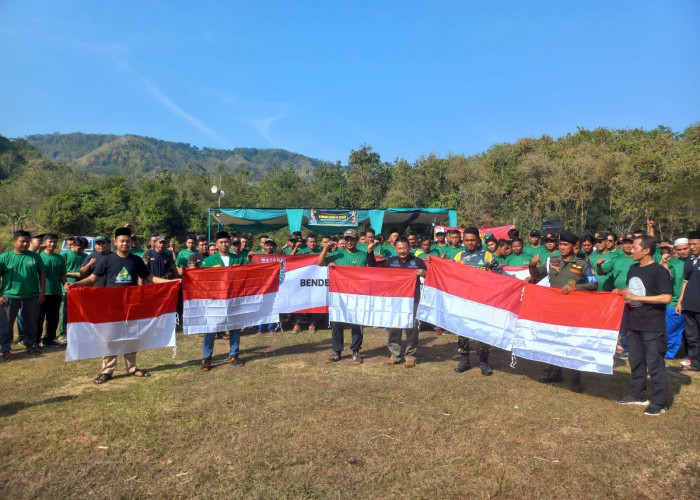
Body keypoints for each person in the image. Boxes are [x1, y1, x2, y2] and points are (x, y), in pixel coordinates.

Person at [67, 227, 176, 383]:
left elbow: (150, 278)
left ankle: (132, 368)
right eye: (122, 241)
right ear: (115, 242)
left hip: (131, 305)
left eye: (128, 241)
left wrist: (171, 283)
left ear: (132, 242)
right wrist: (75, 285)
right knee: (109, 338)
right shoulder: (106, 260)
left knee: (132, 337)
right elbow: (92, 279)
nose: (125, 243)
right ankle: (107, 371)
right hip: (111, 306)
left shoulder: (136, 260)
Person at [529, 230, 597, 392]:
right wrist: (532, 266)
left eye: (565, 244)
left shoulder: (583, 264)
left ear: (574, 246)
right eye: (560, 244)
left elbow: (594, 285)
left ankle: (576, 378)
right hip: (554, 309)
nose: (562, 247)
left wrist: (576, 287)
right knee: (554, 340)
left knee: (573, 342)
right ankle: (555, 373)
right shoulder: (552, 260)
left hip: (574, 311)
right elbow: (536, 277)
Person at [616, 235, 672, 415]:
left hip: (652, 326)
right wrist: (622, 293)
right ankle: (637, 394)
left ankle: (659, 402)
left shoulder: (659, 271)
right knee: (636, 362)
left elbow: (666, 297)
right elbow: (633, 290)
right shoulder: (633, 268)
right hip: (634, 324)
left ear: (646, 250)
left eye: (635, 247)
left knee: (655, 364)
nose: (631, 250)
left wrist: (636, 297)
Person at [452, 227, 510, 376]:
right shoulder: (458, 256)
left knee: (483, 331)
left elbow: (500, 273)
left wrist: (516, 281)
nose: (470, 243)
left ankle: (484, 362)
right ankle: (464, 360)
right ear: (463, 241)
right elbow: (449, 272)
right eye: (467, 240)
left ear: (478, 240)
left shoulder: (487, 256)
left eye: (473, 240)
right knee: (463, 330)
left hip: (482, 301)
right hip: (464, 300)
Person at [367, 236, 426, 367]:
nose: (402, 251)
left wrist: (424, 272)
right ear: (395, 249)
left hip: (413, 299)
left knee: (412, 327)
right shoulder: (390, 261)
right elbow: (373, 266)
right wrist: (370, 252)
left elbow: (431, 274)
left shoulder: (417, 262)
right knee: (394, 326)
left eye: (404, 248)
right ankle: (395, 354)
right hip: (395, 300)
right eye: (399, 248)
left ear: (409, 248)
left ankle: (411, 355)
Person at [317, 228, 368, 364]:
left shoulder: (362, 255)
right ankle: (337, 352)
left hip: (356, 294)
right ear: (344, 240)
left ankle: (356, 351)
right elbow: (320, 263)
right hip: (338, 294)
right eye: (347, 239)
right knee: (336, 322)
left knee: (356, 323)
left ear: (356, 240)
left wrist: (337, 268)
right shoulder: (337, 254)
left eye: (352, 239)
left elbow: (356, 272)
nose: (349, 242)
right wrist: (325, 249)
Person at [199, 231, 247, 371]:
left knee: (234, 328)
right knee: (211, 329)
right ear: (216, 244)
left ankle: (234, 355)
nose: (224, 244)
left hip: (234, 299)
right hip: (215, 300)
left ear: (230, 243)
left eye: (226, 242)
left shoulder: (239, 259)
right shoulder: (209, 261)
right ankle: (207, 358)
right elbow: (201, 279)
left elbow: (254, 270)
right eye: (221, 242)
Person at [0, 230, 47, 360]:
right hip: (9, 296)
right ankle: (5, 349)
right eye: (22, 241)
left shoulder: (35, 256)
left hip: (31, 296)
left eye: (28, 241)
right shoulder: (4, 257)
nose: (25, 244)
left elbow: (42, 275)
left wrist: (42, 292)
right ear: (14, 242)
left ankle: (30, 344)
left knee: (31, 323)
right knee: (6, 324)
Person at [597, 233, 636, 358]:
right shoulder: (616, 259)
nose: (628, 245)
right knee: (622, 326)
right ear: (622, 245)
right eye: (626, 242)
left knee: (634, 325)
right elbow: (602, 271)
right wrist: (598, 265)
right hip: (620, 298)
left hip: (637, 297)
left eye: (631, 242)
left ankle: (634, 349)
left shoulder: (638, 258)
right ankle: (625, 348)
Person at [675, 231, 700, 371]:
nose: (692, 247)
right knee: (692, 336)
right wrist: (680, 302)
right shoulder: (690, 262)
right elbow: (686, 282)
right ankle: (695, 363)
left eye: (694, 244)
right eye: (690, 244)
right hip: (689, 305)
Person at [36, 234, 66, 348]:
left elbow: (62, 274)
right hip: (41, 292)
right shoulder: (38, 256)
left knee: (53, 318)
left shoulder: (60, 258)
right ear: (44, 242)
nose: (53, 244)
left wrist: (65, 285)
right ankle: (36, 340)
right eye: (50, 242)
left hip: (56, 292)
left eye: (55, 242)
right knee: (38, 318)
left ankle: (48, 339)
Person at [57, 236, 88, 342]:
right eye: (80, 248)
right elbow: (61, 271)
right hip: (68, 285)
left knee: (80, 310)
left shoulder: (84, 255)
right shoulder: (64, 255)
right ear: (73, 245)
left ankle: (77, 331)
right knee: (65, 310)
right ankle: (62, 333)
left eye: (83, 248)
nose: (82, 250)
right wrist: (75, 274)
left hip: (81, 286)